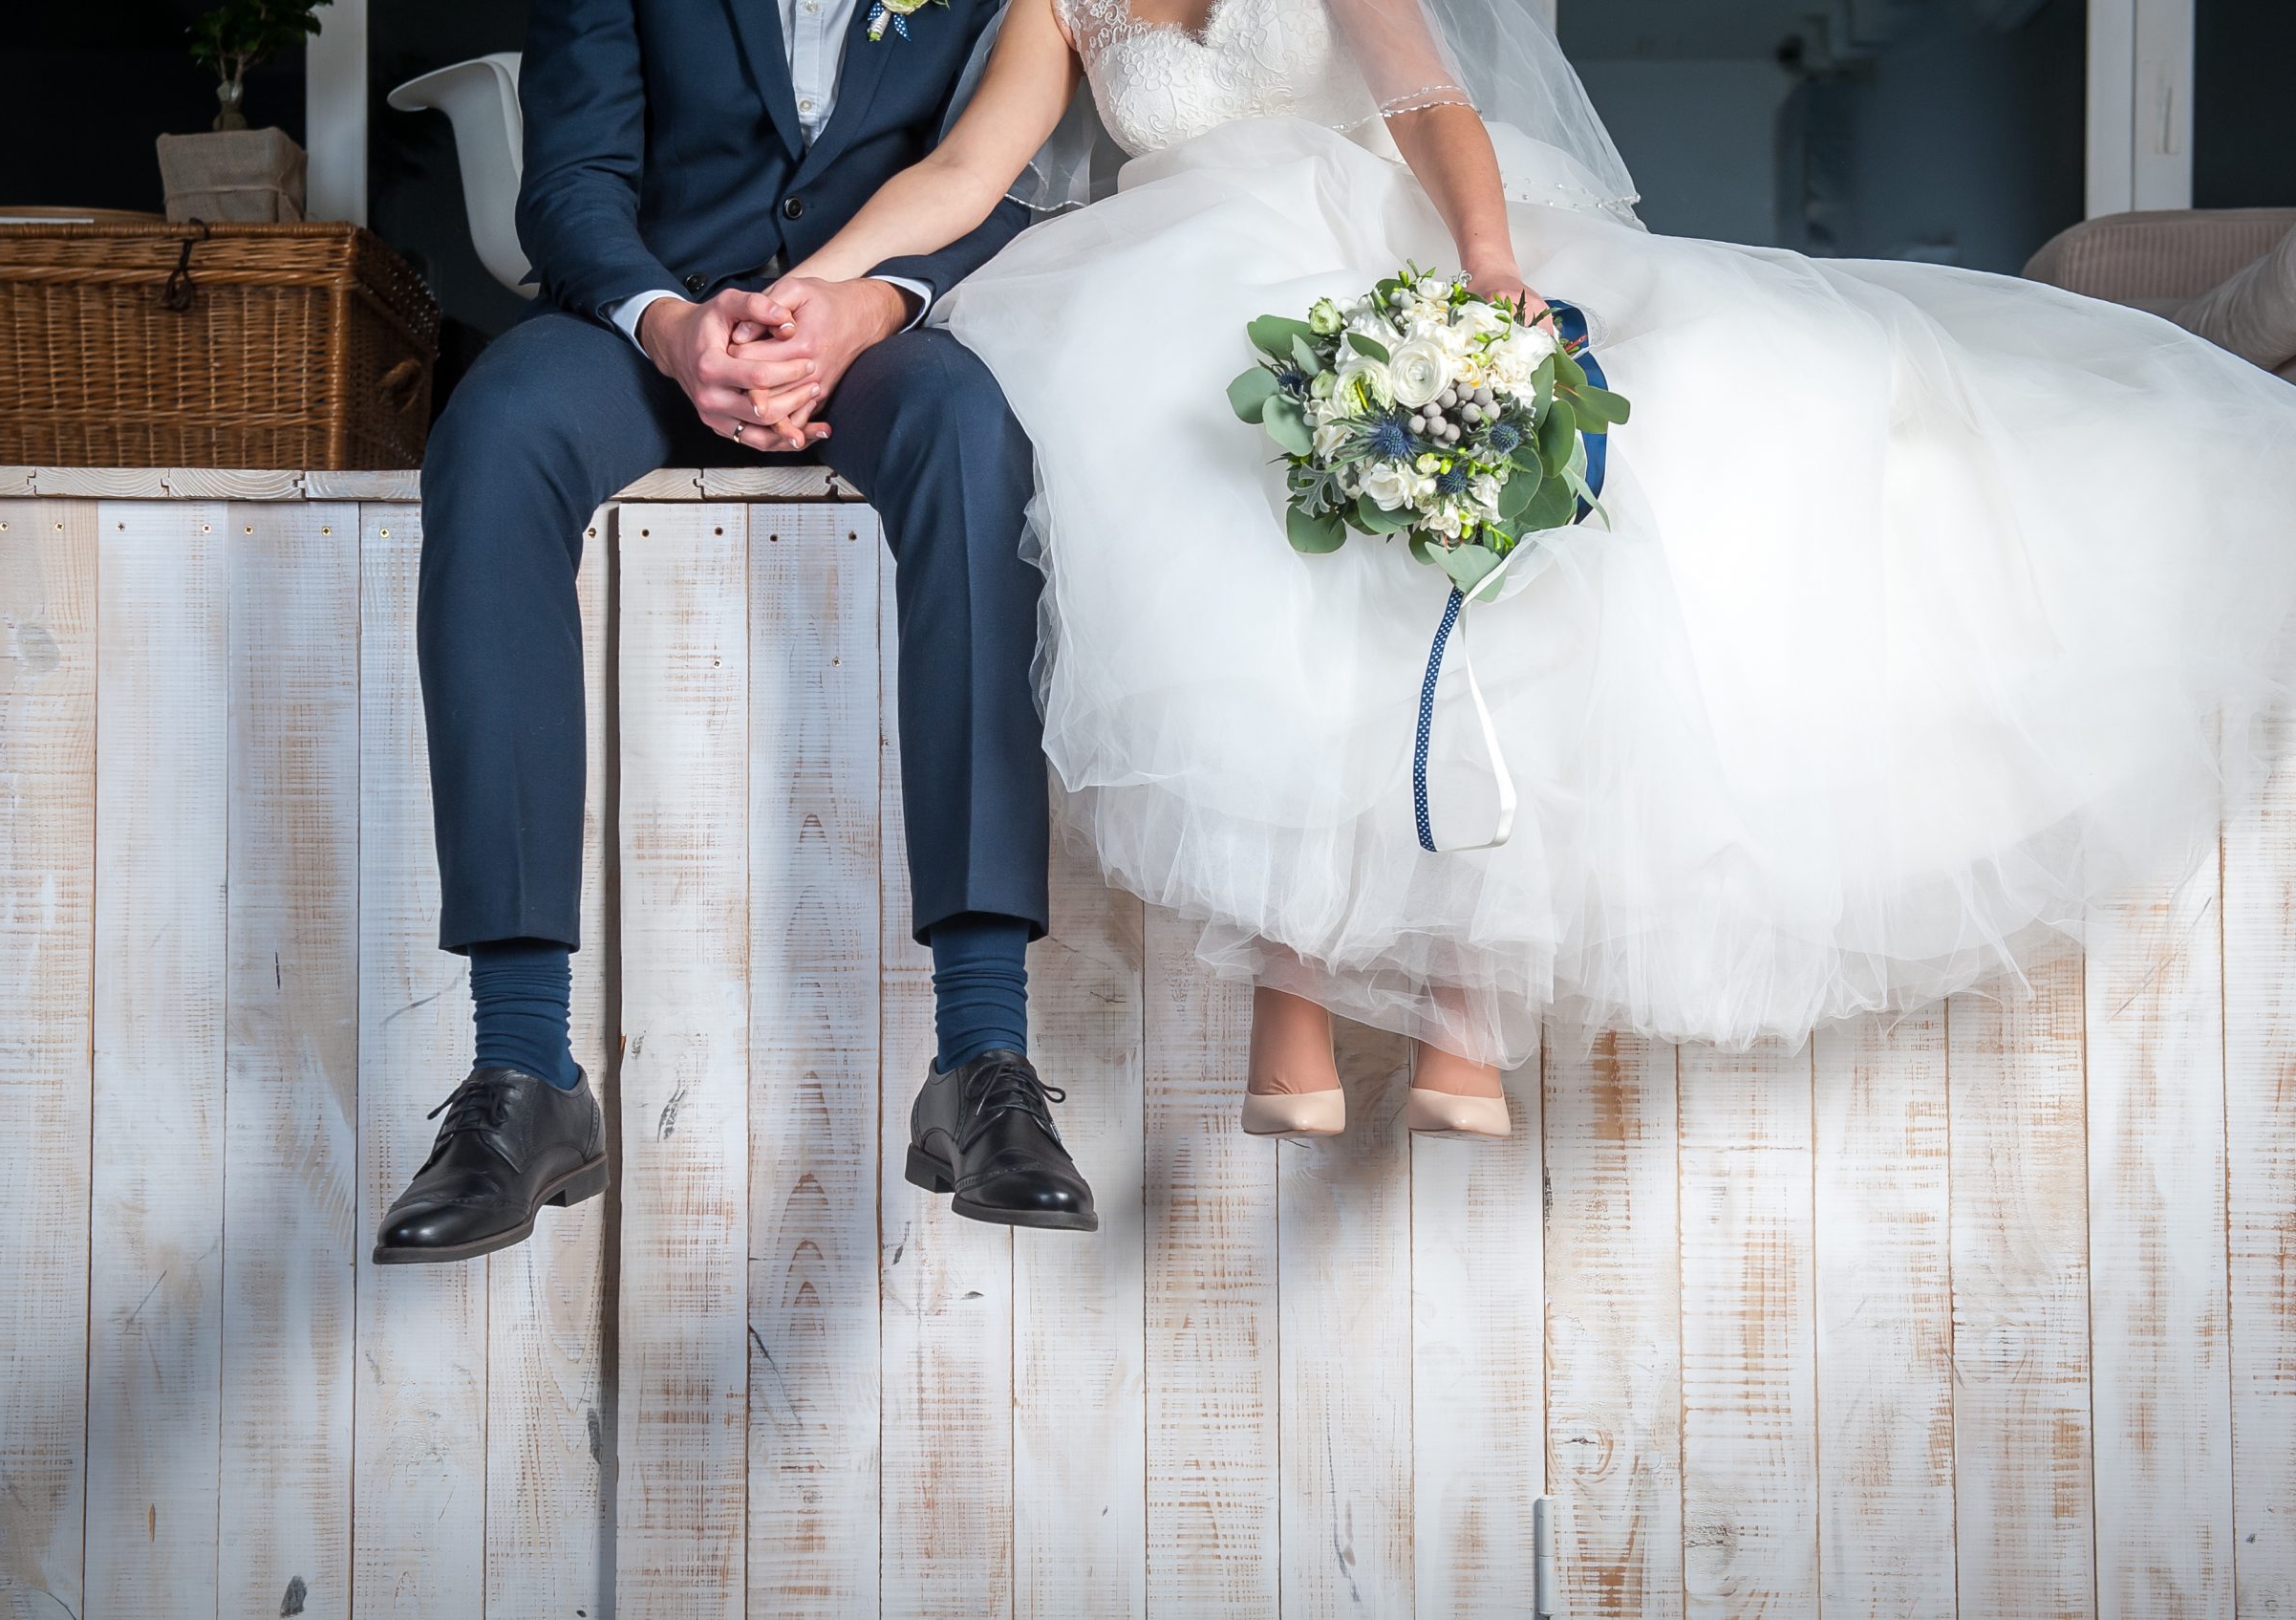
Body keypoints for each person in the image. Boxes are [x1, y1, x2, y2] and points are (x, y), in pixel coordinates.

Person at [741, 0, 2296, 1138]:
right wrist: (802, 294)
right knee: (1208, 472)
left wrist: (1487, 265)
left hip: (1360, 226)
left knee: (1499, 470)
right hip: (1173, 267)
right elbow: (966, 172)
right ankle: (1298, 996)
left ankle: (1464, 1004)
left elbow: (1426, 107)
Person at [373, 0, 1103, 1264]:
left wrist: (866, 306)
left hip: (886, 339)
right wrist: (667, 321)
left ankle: (983, 1060)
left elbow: (1002, 175)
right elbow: (571, 183)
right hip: (656, 336)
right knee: (490, 437)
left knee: (976, 444)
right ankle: (522, 1067)